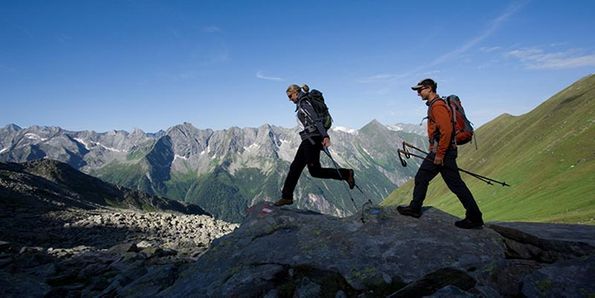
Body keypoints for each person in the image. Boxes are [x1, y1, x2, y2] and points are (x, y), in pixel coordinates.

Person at [397, 78, 484, 229]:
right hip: (443, 151)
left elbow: (447, 131)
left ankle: (474, 217)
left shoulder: (437, 106)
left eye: (420, 90)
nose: (418, 93)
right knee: (446, 182)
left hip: (443, 152)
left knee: (434, 180)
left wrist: (439, 154)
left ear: (429, 88)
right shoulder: (435, 105)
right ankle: (415, 208)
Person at [274, 84, 355, 206]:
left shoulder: (304, 103)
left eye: (290, 96)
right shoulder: (303, 102)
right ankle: (287, 197)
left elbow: (316, 119)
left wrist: (325, 136)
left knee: (310, 170)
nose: (289, 99)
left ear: (296, 92)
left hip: (311, 139)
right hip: (310, 138)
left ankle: (346, 174)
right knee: (299, 168)